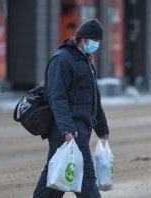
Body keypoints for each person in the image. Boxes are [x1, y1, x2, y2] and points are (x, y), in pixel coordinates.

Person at [33, 19, 110, 198]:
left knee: (54, 179)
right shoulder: (62, 60)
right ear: (83, 39)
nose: (96, 45)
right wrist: (66, 128)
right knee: (87, 179)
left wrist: (102, 127)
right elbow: (56, 97)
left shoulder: (86, 61)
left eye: (98, 42)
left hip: (80, 129)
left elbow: (94, 98)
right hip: (68, 130)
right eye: (95, 41)